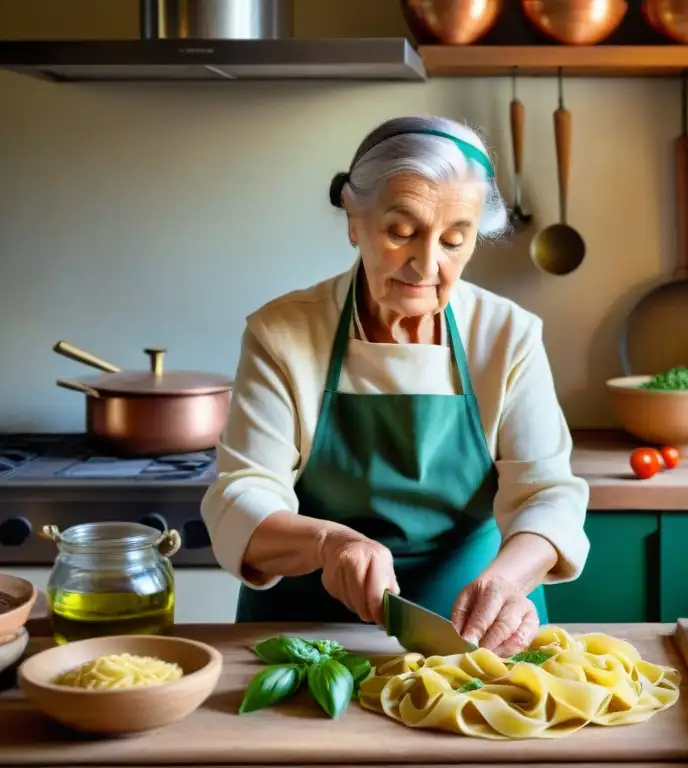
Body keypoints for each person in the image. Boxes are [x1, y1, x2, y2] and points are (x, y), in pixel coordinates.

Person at [200, 116, 590, 657]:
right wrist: (329, 542)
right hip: (309, 641)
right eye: (401, 232)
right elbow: (241, 496)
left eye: (456, 240)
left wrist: (507, 581)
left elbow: (547, 496)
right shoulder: (283, 333)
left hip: (472, 640)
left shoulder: (507, 335)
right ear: (353, 220)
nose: (427, 265)